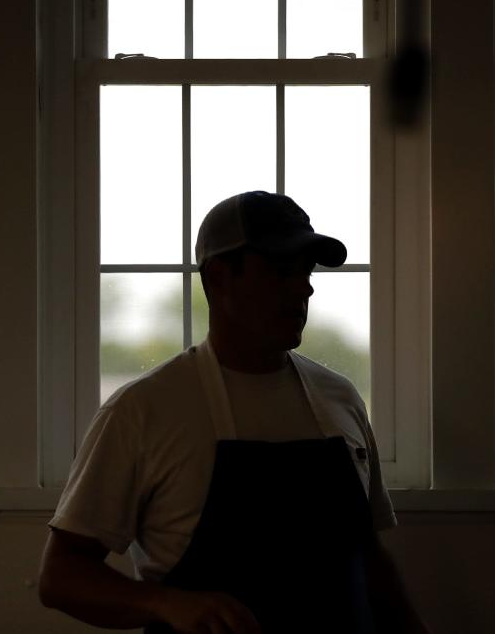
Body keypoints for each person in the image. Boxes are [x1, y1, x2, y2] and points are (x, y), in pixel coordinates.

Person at [39, 191, 429, 633]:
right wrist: (166, 604)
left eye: (306, 269)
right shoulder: (143, 410)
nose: (305, 286)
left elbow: (369, 560)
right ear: (220, 277)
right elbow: (61, 577)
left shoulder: (340, 399)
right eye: (283, 270)